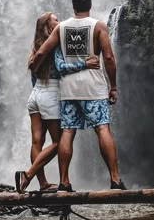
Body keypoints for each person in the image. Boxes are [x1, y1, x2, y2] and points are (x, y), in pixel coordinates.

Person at [30, 0, 126, 192]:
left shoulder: (61, 27)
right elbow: (108, 58)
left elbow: (41, 52)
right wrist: (114, 86)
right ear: (90, 5)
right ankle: (115, 180)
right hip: (93, 88)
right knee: (102, 128)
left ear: (73, 7)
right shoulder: (98, 25)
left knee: (67, 131)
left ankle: (64, 182)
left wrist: (35, 69)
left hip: (68, 90)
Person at [15, 12, 100, 193]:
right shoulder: (54, 46)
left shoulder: (35, 50)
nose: (59, 22)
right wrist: (85, 64)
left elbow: (34, 77)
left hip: (35, 95)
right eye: (55, 19)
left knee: (36, 142)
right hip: (51, 94)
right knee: (58, 142)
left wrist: (38, 97)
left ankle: (43, 184)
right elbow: (62, 68)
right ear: (48, 26)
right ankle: (28, 175)